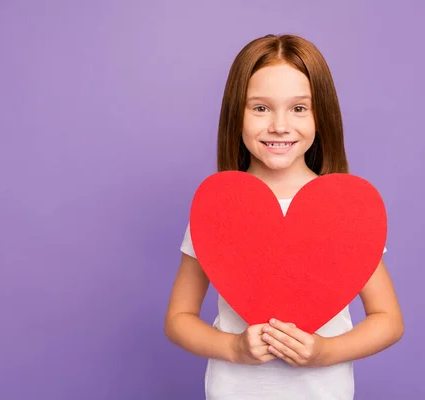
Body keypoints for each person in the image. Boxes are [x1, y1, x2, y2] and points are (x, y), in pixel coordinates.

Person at [164, 34, 404, 400]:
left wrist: (325, 352)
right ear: (236, 114)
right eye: (260, 108)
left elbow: (388, 320)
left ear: (321, 116)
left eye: (298, 108)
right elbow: (179, 319)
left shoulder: (346, 211)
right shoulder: (217, 208)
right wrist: (234, 349)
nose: (279, 125)